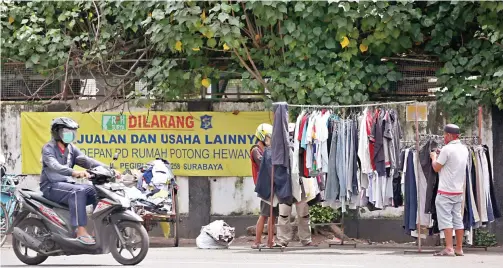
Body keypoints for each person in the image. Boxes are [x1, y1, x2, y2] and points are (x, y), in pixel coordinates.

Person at [40, 117, 107, 245]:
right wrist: (73, 172)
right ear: (57, 132)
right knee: (78, 191)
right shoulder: (48, 148)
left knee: (96, 191)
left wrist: (109, 169)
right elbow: (55, 166)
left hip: (66, 185)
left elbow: (87, 161)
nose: (70, 135)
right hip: (51, 186)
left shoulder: (71, 148)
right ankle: (80, 231)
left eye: (72, 132)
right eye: (67, 132)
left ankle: (96, 230)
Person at [430, 124, 469, 257]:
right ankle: (459, 248)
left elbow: (436, 167)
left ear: (449, 135)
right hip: (458, 191)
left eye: (444, 134)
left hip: (445, 191)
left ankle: (448, 248)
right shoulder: (464, 149)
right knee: (458, 219)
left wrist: (434, 157)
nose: (443, 137)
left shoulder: (447, 149)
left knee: (446, 219)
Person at [277, 124, 314, 247]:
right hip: (285, 184)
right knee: (283, 214)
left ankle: (306, 239)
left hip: (300, 182)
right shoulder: (280, 148)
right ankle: (283, 239)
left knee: (303, 213)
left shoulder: (302, 146)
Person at [250, 123, 279, 249]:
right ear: (262, 136)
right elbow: (264, 163)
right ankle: (257, 241)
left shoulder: (266, 150)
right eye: (268, 137)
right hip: (265, 186)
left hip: (271, 184)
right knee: (264, 214)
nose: (270, 140)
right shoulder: (256, 150)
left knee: (272, 215)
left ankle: (270, 241)